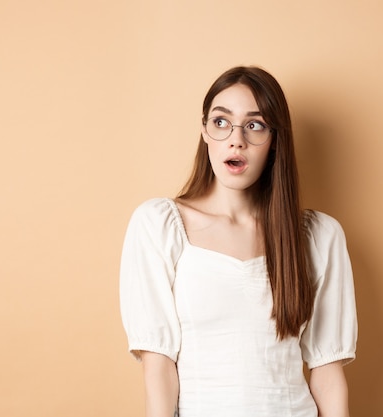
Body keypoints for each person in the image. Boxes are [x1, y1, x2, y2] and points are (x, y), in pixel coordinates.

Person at [120, 66, 357, 417]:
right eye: (221, 122)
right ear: (204, 131)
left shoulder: (317, 236)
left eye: (255, 125)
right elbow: (158, 366)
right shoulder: (159, 225)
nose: (236, 140)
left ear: (275, 138)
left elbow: (327, 371)